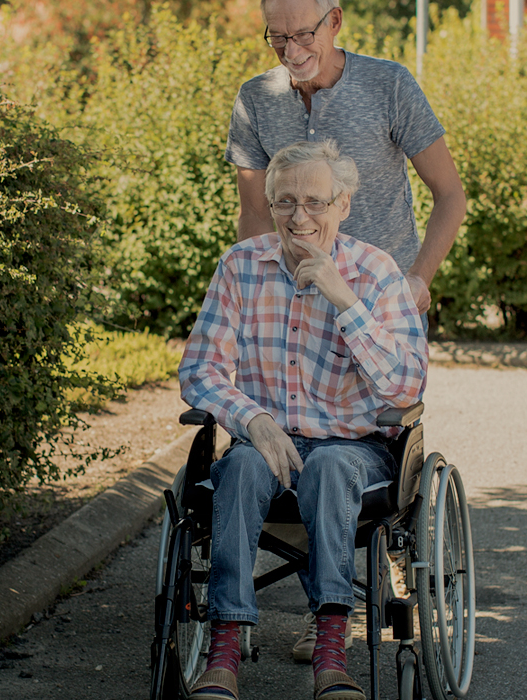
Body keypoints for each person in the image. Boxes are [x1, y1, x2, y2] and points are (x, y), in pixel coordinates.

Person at [179, 140, 427, 700]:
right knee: (239, 466)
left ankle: (332, 652)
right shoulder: (241, 267)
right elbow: (200, 370)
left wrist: (346, 303)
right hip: (268, 442)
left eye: (315, 201)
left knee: (332, 467)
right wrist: (255, 420)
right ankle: (223, 652)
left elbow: (407, 386)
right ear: (269, 205)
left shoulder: (376, 273)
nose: (300, 216)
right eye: (286, 201)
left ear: (342, 205)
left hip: (354, 449)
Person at [226, 0, 467, 315]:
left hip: (383, 302)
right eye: (278, 38)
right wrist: (260, 293)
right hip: (295, 308)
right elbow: (255, 214)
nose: (291, 52)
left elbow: (450, 195)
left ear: (335, 21)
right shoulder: (255, 98)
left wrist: (419, 279)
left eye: (304, 35)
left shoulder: (389, 84)